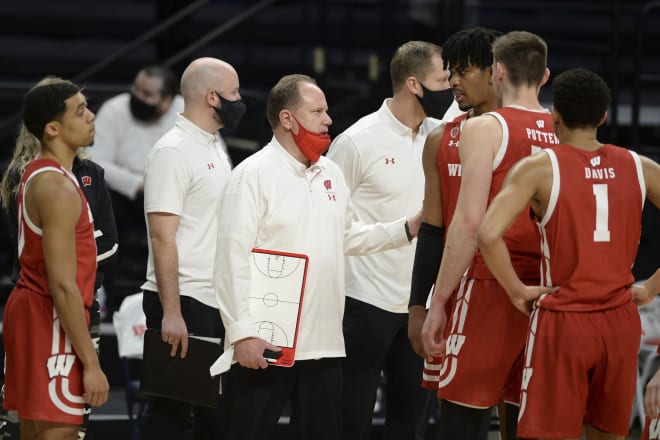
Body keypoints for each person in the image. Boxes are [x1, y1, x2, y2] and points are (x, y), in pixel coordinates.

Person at [214, 74, 420, 440]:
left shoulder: (332, 173)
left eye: (326, 111)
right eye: (318, 111)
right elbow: (231, 259)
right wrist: (241, 333)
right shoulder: (252, 174)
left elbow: (348, 236)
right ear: (288, 118)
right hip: (267, 340)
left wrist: (406, 228)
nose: (328, 119)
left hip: (325, 342)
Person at [478, 67, 660, 439]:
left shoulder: (538, 168)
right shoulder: (640, 166)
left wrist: (516, 291)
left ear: (554, 115)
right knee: (608, 432)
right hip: (621, 321)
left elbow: (487, 233)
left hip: (564, 319)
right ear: (604, 116)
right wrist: (653, 287)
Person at [421, 31, 558, 439]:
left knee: (461, 420)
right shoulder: (564, 128)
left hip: (491, 284)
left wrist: (438, 302)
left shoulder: (485, 128)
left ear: (497, 71)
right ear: (545, 75)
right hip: (547, 291)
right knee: (524, 422)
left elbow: (467, 223)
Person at [326, 40, 452, 440]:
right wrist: (403, 228)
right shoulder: (355, 141)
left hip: (423, 302)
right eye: (443, 80)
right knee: (350, 419)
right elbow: (332, 227)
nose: (451, 88)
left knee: (410, 422)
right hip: (364, 302)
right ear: (414, 84)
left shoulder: (445, 136)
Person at [406, 27, 501, 437]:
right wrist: (417, 306)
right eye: (450, 72)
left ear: (494, 72)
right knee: (459, 425)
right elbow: (433, 230)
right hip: (461, 296)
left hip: (522, 293)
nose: (454, 82)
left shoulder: (539, 134)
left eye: (463, 71)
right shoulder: (441, 138)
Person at [139, 57, 241, 440]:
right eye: (233, 93)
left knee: (213, 418)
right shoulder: (173, 151)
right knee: (170, 414)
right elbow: (161, 236)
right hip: (184, 300)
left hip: (212, 298)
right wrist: (171, 312)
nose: (239, 100)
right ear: (212, 97)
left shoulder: (213, 144)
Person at [2, 77, 110, 439]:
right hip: (49, 317)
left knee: (34, 432)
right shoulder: (58, 187)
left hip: (31, 312)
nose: (91, 116)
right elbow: (63, 286)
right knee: (58, 433)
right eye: (80, 111)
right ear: (53, 129)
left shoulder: (40, 174)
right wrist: (92, 364)